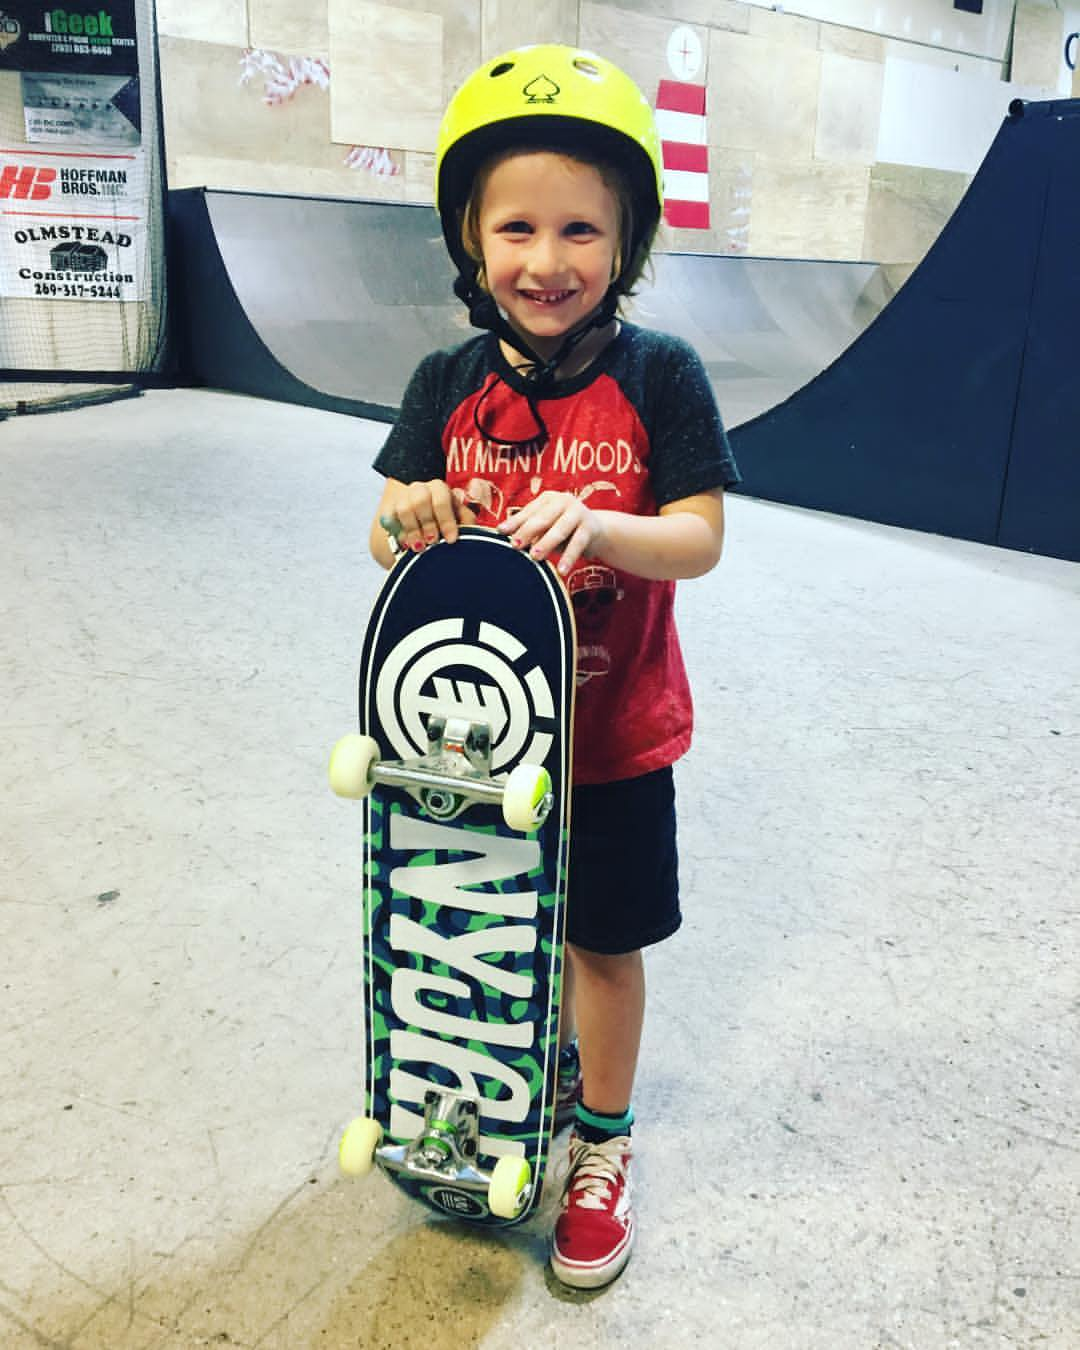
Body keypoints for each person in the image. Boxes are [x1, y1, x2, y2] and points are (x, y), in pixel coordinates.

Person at [369, 44, 741, 1289]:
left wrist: (602, 526)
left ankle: (605, 1140)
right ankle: (517, 1075)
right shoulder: (447, 383)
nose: (547, 260)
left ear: (625, 240)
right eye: (516, 226)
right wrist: (419, 511)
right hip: (471, 751)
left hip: (615, 737)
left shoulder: (659, 376)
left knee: (600, 943)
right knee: (481, 928)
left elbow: (698, 540)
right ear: (470, 240)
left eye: (582, 229)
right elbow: (384, 531)